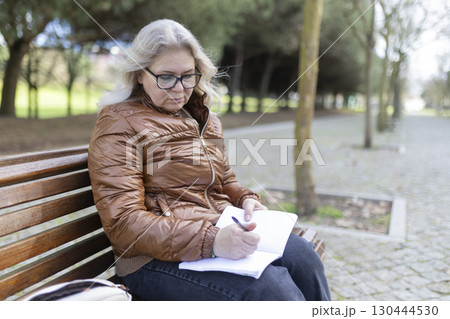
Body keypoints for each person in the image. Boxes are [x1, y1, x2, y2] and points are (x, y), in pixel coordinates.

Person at [88, 19, 330, 301]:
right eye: (166, 77)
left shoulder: (204, 118)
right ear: (140, 74)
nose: (179, 89)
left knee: (304, 257)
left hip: (216, 229)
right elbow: (124, 223)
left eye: (188, 75)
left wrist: (245, 199)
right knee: (271, 288)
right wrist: (212, 240)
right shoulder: (119, 123)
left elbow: (224, 180)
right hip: (150, 261)